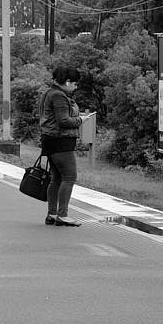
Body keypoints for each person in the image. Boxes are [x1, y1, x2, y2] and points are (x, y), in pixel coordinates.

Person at [38, 64, 93, 227]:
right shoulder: (59, 96)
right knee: (69, 177)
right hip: (61, 141)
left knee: (56, 178)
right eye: (75, 84)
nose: (76, 87)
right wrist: (81, 120)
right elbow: (64, 121)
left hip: (50, 140)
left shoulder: (49, 92)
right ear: (68, 82)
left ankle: (52, 214)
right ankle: (62, 215)